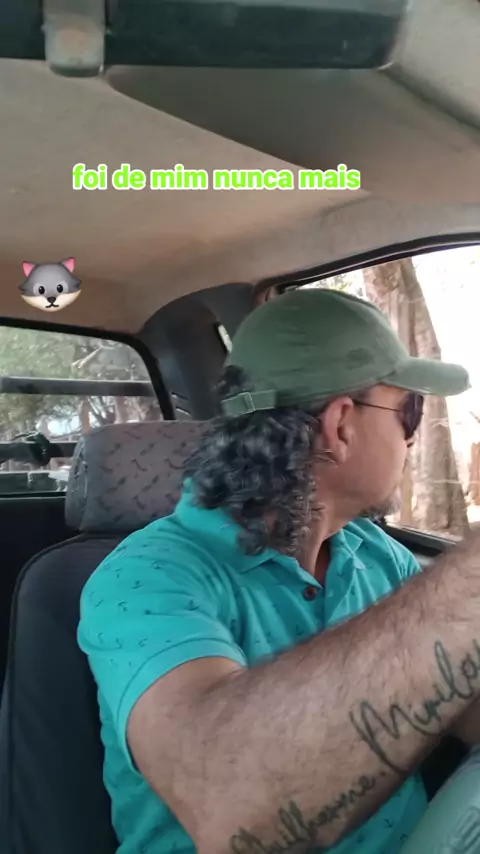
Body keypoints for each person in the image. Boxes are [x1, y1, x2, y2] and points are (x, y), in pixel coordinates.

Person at [78, 287, 480, 854]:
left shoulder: (374, 552)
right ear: (341, 425)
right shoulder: (146, 578)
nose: (411, 438)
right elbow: (228, 806)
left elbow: (461, 708)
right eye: (408, 411)